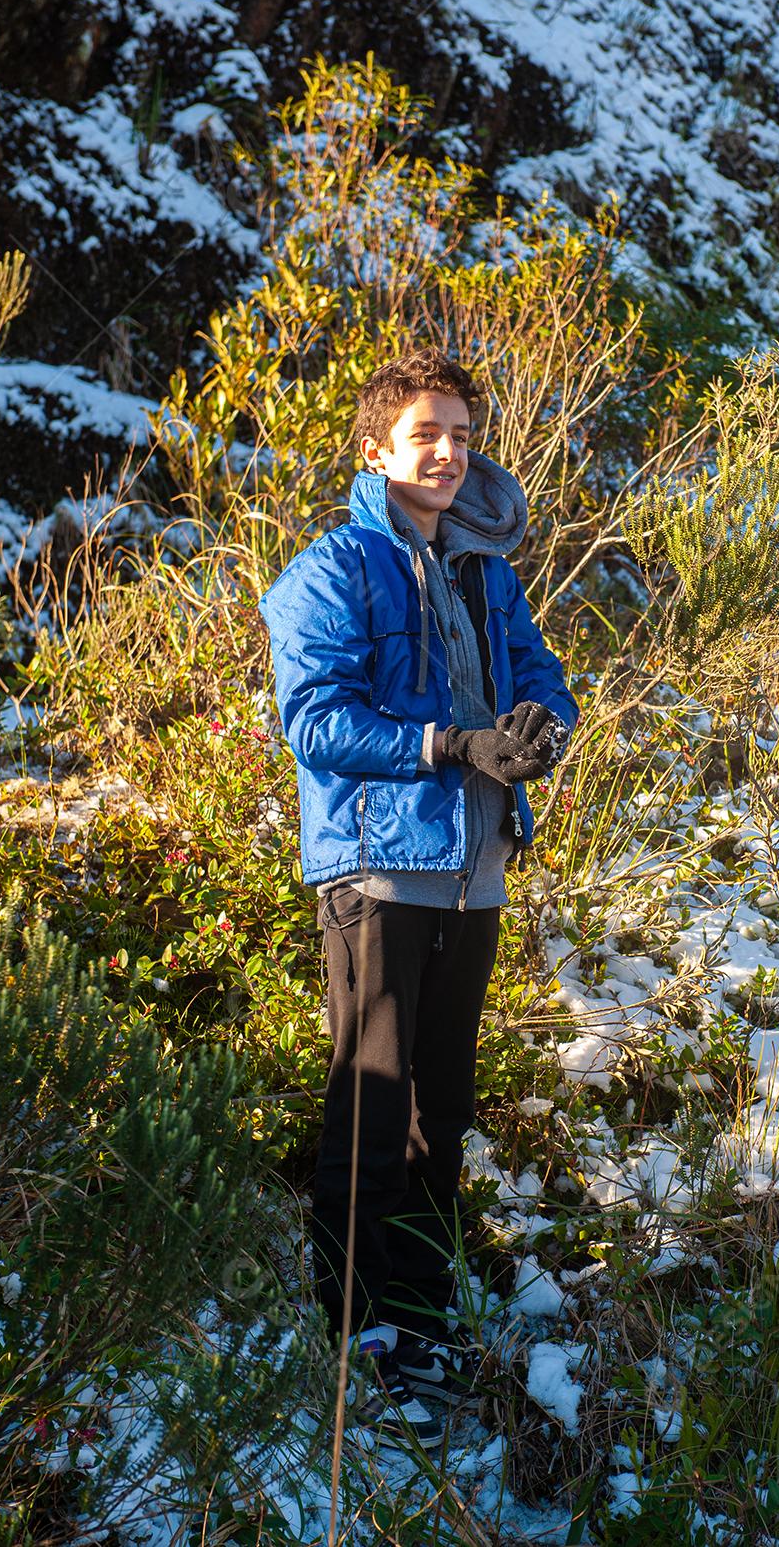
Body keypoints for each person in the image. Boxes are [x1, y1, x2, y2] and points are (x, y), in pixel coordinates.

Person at [258, 347, 578, 1448]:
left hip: (475, 870)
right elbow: (317, 722)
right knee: (374, 1100)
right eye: (425, 434)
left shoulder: (488, 571)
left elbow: (542, 676)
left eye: (462, 435)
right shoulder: (332, 569)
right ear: (376, 449)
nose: (448, 453)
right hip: (378, 865)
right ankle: (356, 1331)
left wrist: (539, 728)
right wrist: (451, 743)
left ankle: (423, 1315)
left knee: (443, 1108)